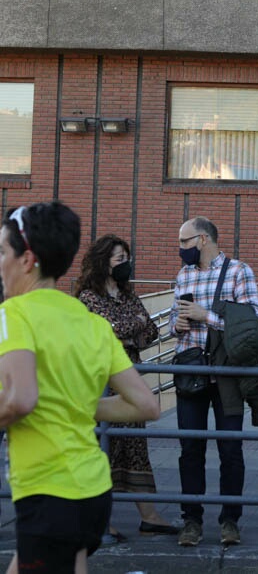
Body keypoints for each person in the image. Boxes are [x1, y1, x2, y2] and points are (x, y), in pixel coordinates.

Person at [0, 202, 159, 572]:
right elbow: (145, 405)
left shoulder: (14, 314)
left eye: (3, 252)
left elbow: (20, 399)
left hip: (49, 490)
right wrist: (75, 405)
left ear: (27, 261)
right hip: (93, 491)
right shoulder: (90, 323)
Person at [76, 234, 178, 539]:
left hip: (130, 379)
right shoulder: (88, 298)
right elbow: (107, 331)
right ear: (103, 263)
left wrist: (123, 331)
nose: (125, 265)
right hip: (101, 382)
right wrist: (126, 329)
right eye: (119, 259)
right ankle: (99, 521)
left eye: (126, 258)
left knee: (135, 445)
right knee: (103, 448)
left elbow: (150, 330)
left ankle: (149, 516)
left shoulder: (128, 295)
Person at [170, 216, 258, 548]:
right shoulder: (183, 275)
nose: (180, 249)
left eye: (184, 242)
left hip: (227, 372)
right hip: (191, 370)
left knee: (230, 450)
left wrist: (203, 316)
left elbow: (252, 323)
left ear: (203, 239)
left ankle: (230, 521)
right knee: (189, 450)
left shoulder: (239, 272)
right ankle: (191, 520)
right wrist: (177, 323)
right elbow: (172, 321)